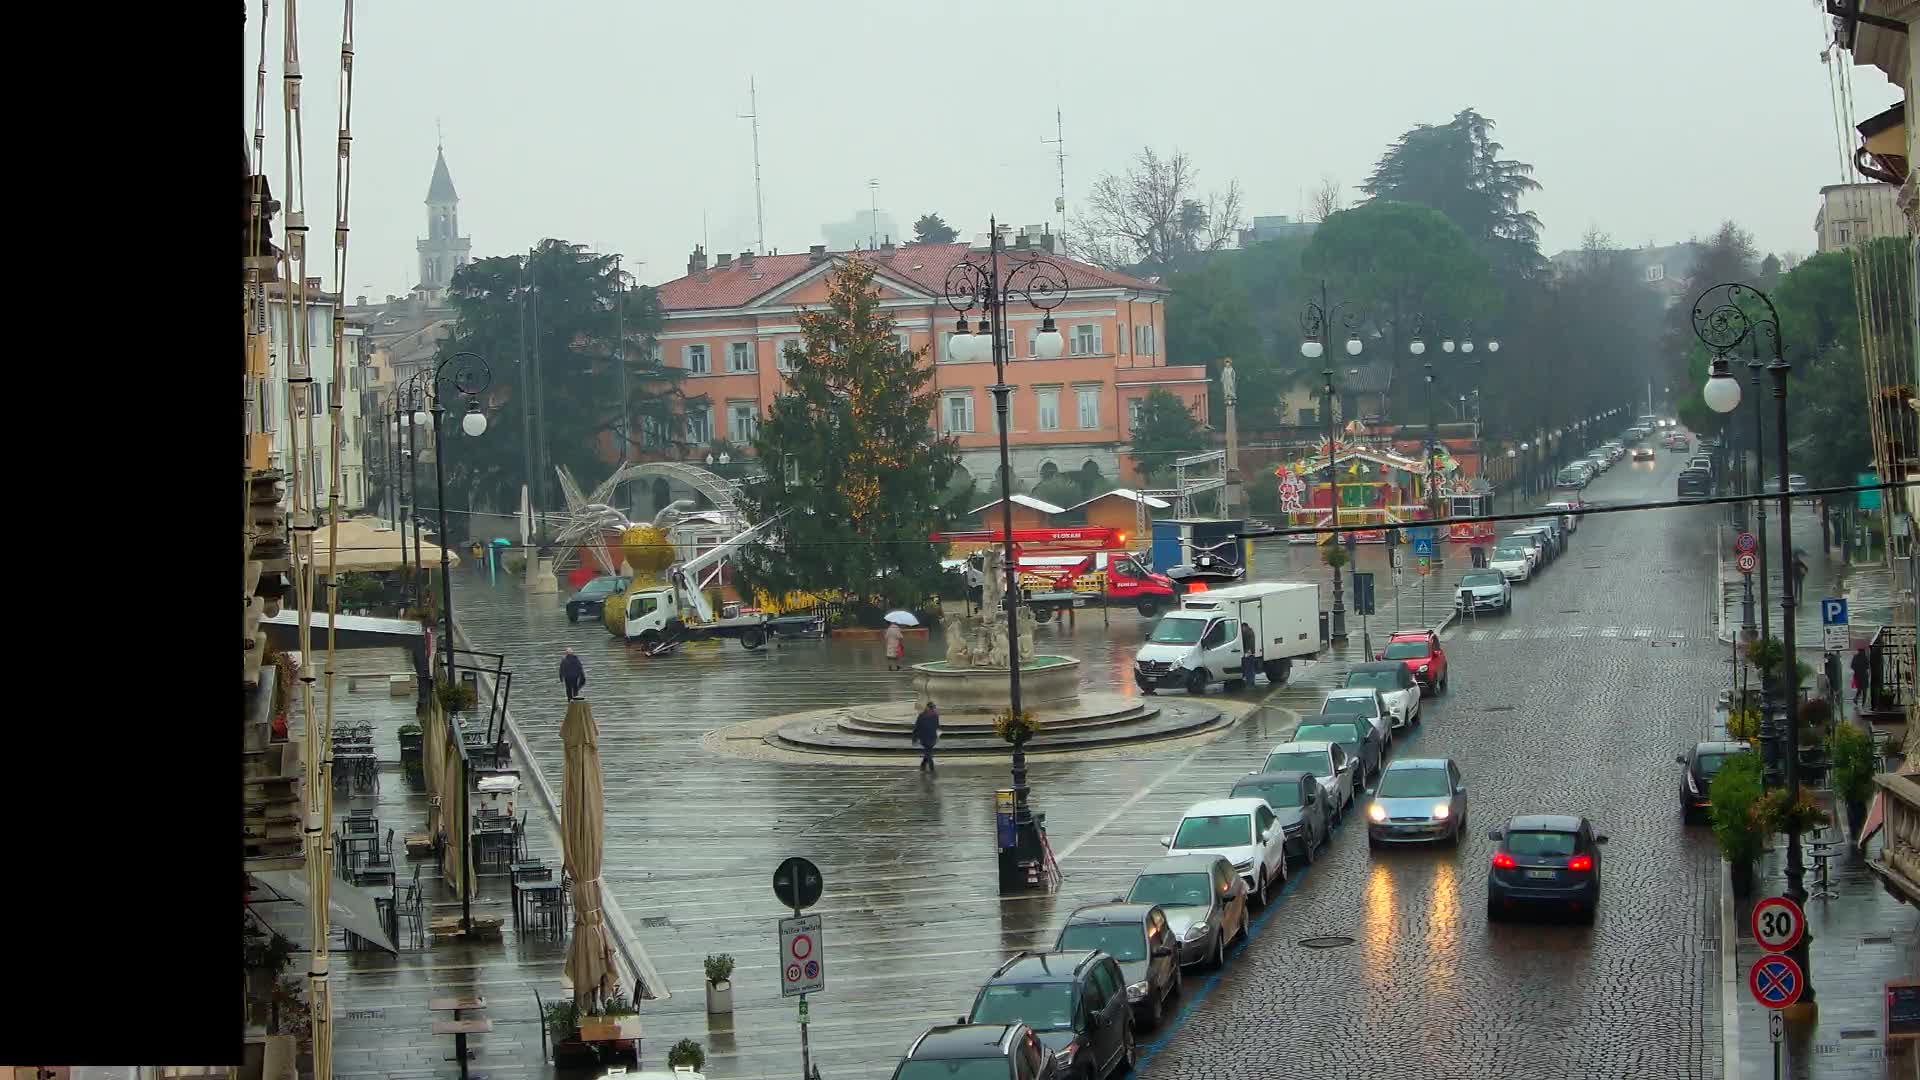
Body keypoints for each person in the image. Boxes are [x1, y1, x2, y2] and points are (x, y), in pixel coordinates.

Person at [912, 700, 940, 774]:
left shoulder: (923, 715)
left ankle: (924, 765)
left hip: (925, 737)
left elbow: (917, 727)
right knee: (928, 752)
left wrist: (915, 738)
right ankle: (930, 767)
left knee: (928, 752)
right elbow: (937, 726)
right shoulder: (935, 715)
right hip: (930, 737)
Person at [1240, 622, 1260, 687]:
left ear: (1245, 626)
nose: (1242, 629)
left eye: (1242, 627)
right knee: (1250, 669)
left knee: (1250, 669)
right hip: (1250, 653)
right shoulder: (1249, 632)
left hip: (1249, 654)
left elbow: (1251, 644)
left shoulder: (1249, 633)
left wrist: (1248, 652)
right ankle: (1251, 682)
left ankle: (1250, 683)